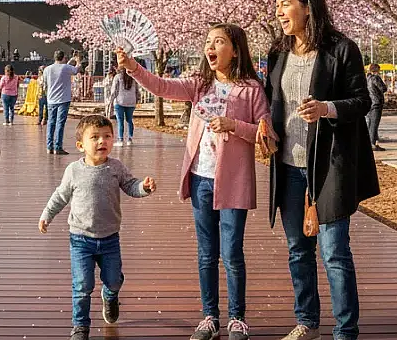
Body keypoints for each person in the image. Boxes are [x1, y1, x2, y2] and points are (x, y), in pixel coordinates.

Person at [119, 23, 269, 340]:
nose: (210, 47)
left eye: (219, 41)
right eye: (208, 41)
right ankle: (209, 317)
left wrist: (233, 125)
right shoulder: (199, 84)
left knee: (232, 253)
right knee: (206, 253)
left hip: (234, 181)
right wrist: (133, 67)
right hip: (201, 178)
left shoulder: (251, 89)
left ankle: (237, 318)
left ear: (236, 50)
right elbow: (162, 87)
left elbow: (266, 135)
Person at [264, 0, 377, 340]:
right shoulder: (277, 52)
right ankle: (307, 322)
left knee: (333, 252)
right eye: (277, 5)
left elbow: (362, 101)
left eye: (285, 4)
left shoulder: (342, 49)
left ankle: (345, 331)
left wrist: (326, 108)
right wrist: (263, 127)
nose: (279, 12)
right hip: (288, 166)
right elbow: (268, 101)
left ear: (308, 7)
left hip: (329, 166)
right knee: (298, 250)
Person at [39, 114, 156, 340]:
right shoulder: (74, 170)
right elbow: (60, 196)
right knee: (82, 285)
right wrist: (47, 215)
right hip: (80, 239)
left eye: (107, 136)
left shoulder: (116, 167)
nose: (102, 141)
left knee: (114, 280)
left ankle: (110, 296)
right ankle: (80, 326)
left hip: (110, 238)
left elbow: (131, 185)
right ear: (80, 145)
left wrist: (144, 187)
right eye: (95, 137)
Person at [43, 51, 82, 155]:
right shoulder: (66, 68)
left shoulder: (47, 69)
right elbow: (77, 69)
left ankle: (49, 146)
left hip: (51, 99)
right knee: (60, 123)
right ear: (63, 58)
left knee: (51, 122)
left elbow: (45, 83)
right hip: (63, 99)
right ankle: (58, 147)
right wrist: (78, 60)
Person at [106, 65, 139, 145]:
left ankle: (120, 140)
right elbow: (137, 91)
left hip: (119, 101)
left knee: (120, 121)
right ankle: (130, 139)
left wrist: (110, 100)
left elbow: (114, 90)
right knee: (129, 120)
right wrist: (137, 100)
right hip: (131, 102)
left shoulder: (117, 77)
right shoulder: (133, 78)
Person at [365, 66, 387, 151]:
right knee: (374, 125)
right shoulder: (375, 78)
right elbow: (383, 88)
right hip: (376, 103)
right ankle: (372, 143)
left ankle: (370, 142)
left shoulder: (366, 78)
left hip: (369, 103)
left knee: (370, 123)